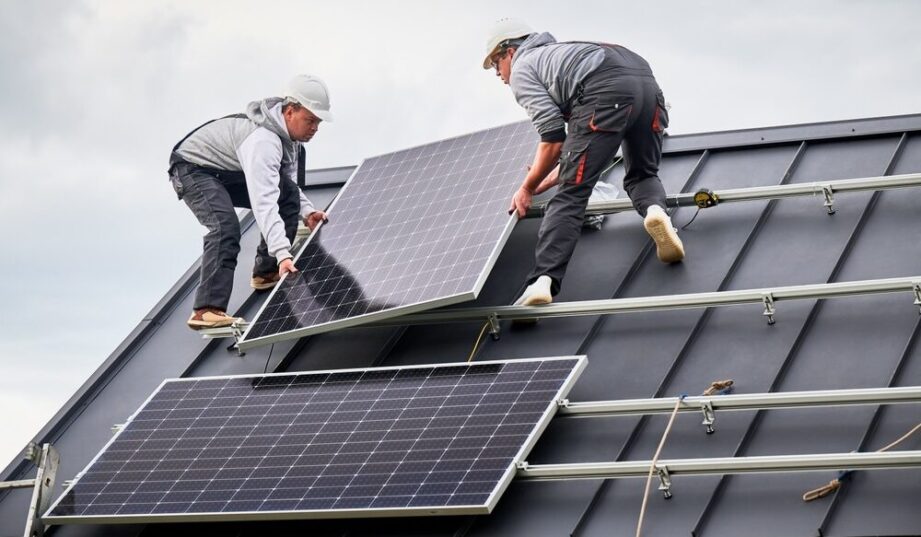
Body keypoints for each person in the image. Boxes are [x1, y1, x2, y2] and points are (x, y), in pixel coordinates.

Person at [483, 19, 685, 307]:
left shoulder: (524, 68)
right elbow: (577, 144)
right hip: (647, 87)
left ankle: (542, 282)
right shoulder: (562, 55)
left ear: (510, 53)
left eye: (495, 65)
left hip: (604, 93)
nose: (499, 76)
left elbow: (552, 137)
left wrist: (528, 187)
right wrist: (558, 170)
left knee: (571, 194)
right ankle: (656, 213)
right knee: (642, 174)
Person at [168, 74, 330, 330]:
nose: (314, 128)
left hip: (225, 171)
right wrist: (283, 254)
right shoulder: (263, 140)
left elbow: (285, 188)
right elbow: (264, 201)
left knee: (286, 193)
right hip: (192, 169)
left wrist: (307, 212)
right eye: (310, 120)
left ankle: (265, 273)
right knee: (224, 227)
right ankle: (206, 310)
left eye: (318, 122)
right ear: (290, 112)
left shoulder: (288, 141)